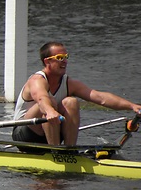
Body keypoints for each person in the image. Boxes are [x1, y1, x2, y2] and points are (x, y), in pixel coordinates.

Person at [12, 42, 141, 147]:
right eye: (59, 58)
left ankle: (69, 151)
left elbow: (100, 98)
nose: (64, 61)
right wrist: (50, 111)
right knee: (49, 101)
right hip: (25, 134)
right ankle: (56, 151)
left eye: (66, 57)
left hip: (52, 131)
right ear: (47, 62)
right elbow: (41, 98)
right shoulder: (36, 80)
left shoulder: (69, 83)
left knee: (71, 102)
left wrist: (132, 106)